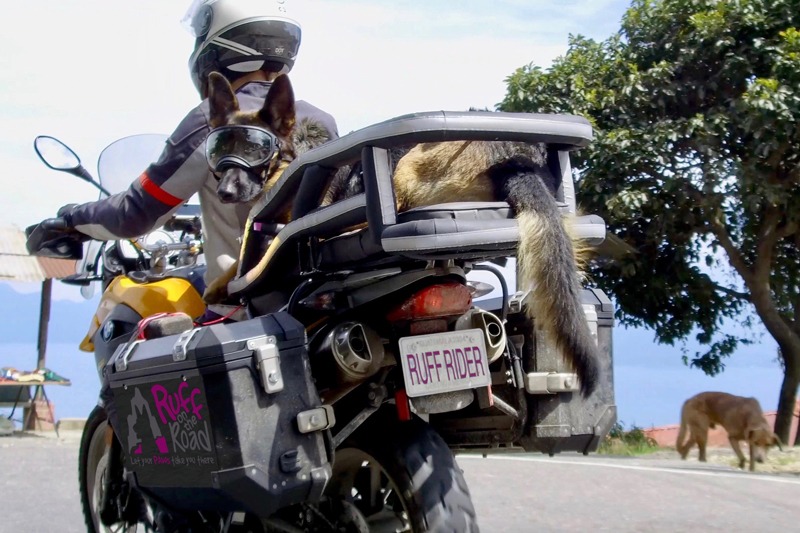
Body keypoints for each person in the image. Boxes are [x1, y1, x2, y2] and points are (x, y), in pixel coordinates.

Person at [47, 0, 338, 321]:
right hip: (319, 299)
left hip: (247, 310)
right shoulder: (321, 120)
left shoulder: (214, 123)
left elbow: (135, 214)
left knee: (148, 345)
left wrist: (72, 219)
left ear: (214, 46)